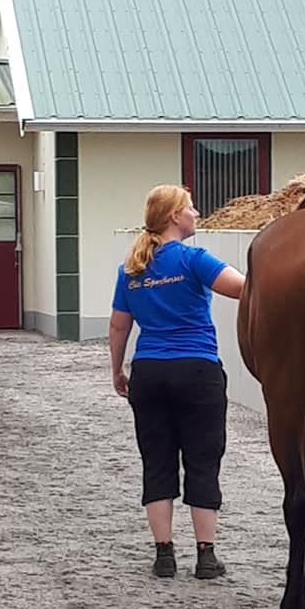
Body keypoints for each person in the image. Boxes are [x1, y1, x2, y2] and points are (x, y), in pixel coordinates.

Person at [108, 185, 245, 579]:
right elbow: (242, 288)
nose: (197, 213)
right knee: (203, 460)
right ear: (174, 217)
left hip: (149, 372)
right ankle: (206, 556)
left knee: (157, 462)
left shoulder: (130, 269)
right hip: (197, 370)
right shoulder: (193, 259)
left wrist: (117, 371)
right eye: (190, 208)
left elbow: (118, 326)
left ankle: (164, 555)